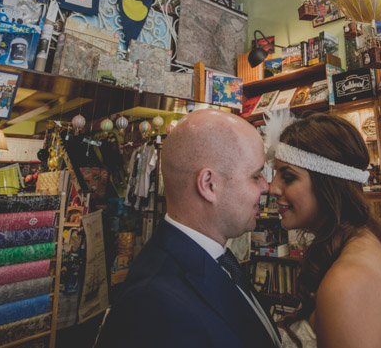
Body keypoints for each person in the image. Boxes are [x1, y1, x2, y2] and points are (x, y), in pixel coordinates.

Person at [96, 109, 279, 348]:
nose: (267, 187)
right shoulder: (154, 304)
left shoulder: (215, 258)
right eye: (256, 176)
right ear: (209, 185)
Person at [266, 112, 381, 348]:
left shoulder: (347, 283)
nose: (272, 187)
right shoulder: (364, 240)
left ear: (328, 182)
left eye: (288, 177)